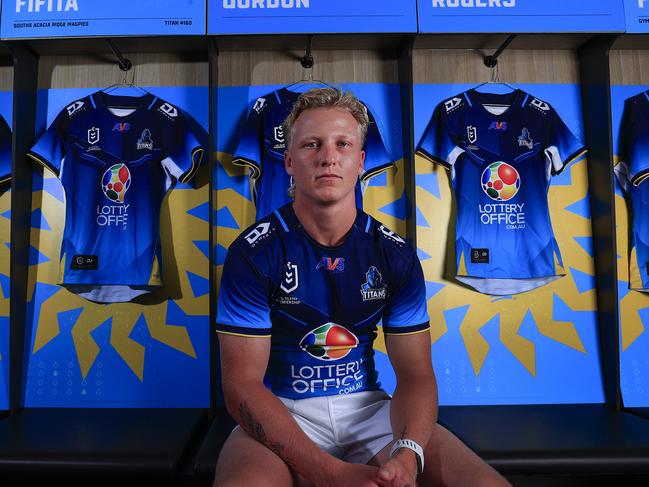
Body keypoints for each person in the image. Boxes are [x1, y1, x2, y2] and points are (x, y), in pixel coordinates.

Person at [215, 87, 510, 487]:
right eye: (311, 144)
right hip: (281, 408)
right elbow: (241, 385)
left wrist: (407, 456)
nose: (328, 156)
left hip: (369, 412)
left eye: (342, 144)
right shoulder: (253, 252)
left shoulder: (395, 255)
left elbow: (417, 376)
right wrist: (331, 473)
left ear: (360, 161)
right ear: (287, 161)